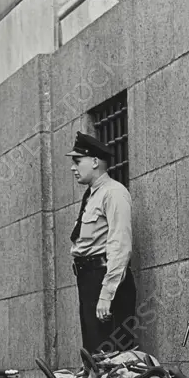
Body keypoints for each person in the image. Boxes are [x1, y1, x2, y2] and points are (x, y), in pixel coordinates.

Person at [67, 131, 137, 354]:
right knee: (95, 354)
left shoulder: (114, 193)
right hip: (88, 280)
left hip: (106, 278)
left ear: (95, 161)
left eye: (78, 161)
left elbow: (120, 246)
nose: (73, 167)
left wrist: (107, 294)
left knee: (111, 358)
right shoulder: (92, 195)